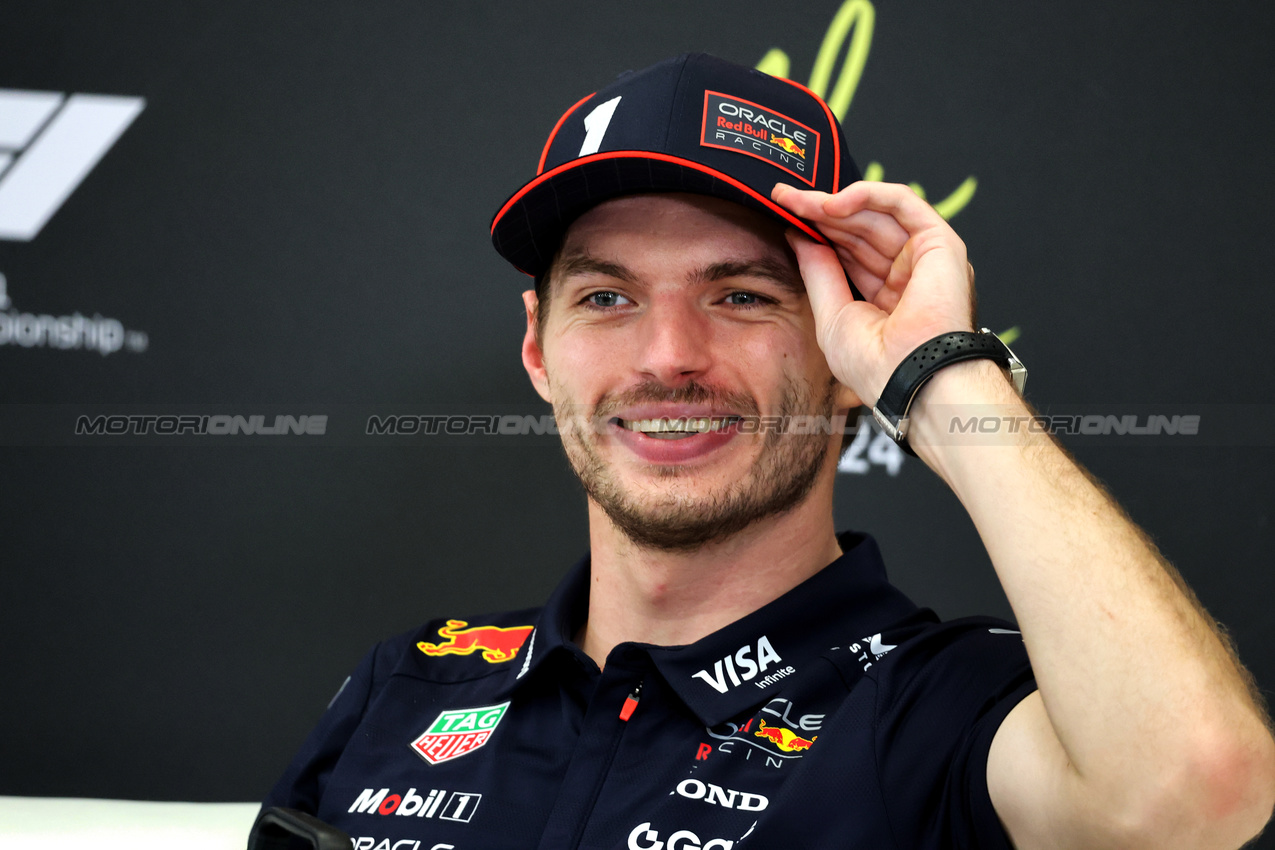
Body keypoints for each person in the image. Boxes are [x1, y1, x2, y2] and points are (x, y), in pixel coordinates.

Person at [262, 53, 1274, 850]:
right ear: (538, 347)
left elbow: (1196, 793)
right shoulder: (415, 682)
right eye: (607, 297)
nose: (667, 358)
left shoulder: (933, 706)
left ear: (845, 352)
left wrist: (943, 372)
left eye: (739, 296)